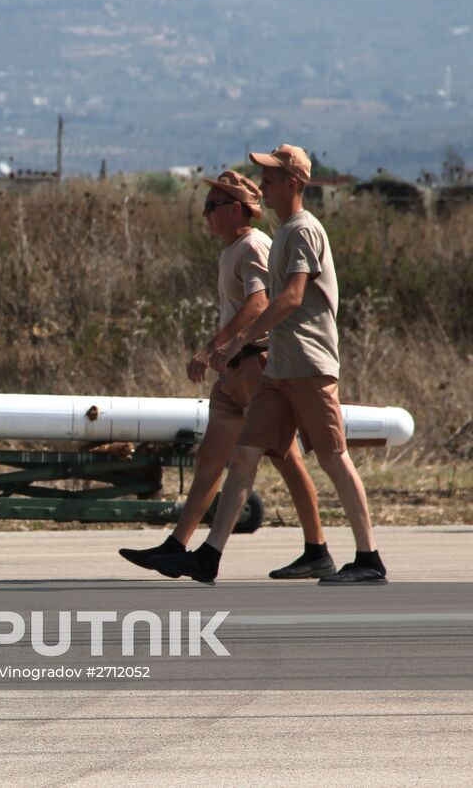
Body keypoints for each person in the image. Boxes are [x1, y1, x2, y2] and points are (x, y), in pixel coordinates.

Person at [153, 144, 388, 584]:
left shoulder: (303, 231)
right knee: (243, 458)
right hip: (279, 369)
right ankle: (209, 556)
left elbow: (292, 296)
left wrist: (238, 339)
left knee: (333, 457)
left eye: (271, 178)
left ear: (294, 184)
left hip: (309, 363)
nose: (262, 185)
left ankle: (368, 558)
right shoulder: (281, 234)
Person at [119, 170, 333, 580]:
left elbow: (258, 304)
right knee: (210, 459)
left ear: (236, 209)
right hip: (234, 370)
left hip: (256, 364)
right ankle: (177, 546)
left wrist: (212, 347)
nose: (205, 215)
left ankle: (317, 547)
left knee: (285, 457)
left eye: (212, 207)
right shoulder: (232, 250)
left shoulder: (253, 244)